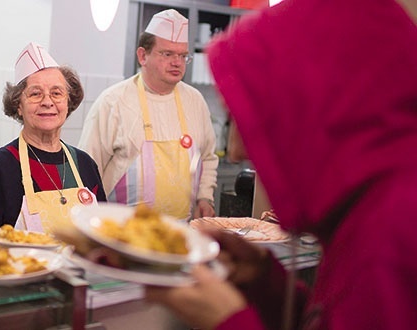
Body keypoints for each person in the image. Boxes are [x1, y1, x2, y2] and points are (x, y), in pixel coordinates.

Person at [145, 0, 417, 329]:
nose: (237, 154)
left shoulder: (393, 232)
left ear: (312, 102)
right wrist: (267, 285)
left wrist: (230, 321)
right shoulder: (370, 212)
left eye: (257, 116)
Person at [0, 42, 106, 252]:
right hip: (20, 280)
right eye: (35, 94)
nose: (47, 102)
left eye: (57, 93)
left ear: (68, 102)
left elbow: (104, 231)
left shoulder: (85, 164)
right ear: (18, 105)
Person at [78, 9, 219, 221]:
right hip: (121, 232)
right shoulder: (113, 101)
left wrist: (205, 198)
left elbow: (207, 157)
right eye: (167, 54)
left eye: (182, 55)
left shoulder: (195, 101)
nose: (177, 63)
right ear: (143, 55)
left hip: (181, 232)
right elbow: (86, 170)